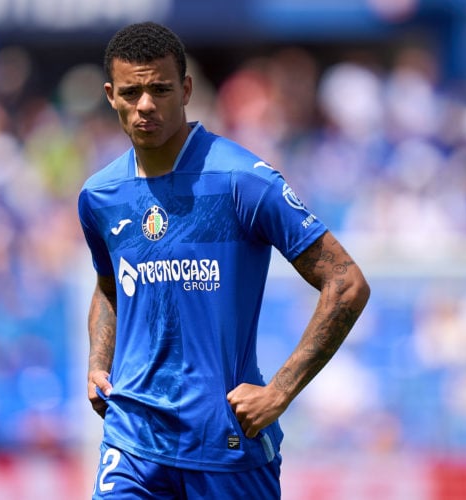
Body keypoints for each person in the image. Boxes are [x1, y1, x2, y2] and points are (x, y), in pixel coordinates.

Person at [77, 21, 370, 499]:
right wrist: (97, 362)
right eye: (131, 92)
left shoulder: (241, 180)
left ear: (187, 89)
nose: (145, 104)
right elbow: (109, 285)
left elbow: (346, 281)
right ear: (111, 95)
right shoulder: (100, 196)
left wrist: (278, 392)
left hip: (226, 446)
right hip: (132, 441)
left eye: (160, 89)